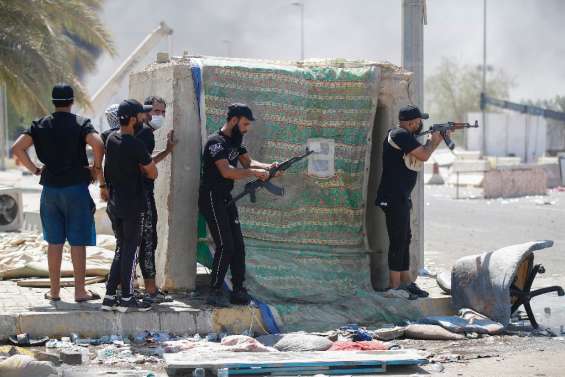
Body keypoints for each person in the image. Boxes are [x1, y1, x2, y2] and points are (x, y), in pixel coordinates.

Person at [11, 84, 104, 302]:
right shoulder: (81, 123)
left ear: (53, 102)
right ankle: (80, 291)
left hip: (50, 189)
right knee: (78, 242)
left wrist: (34, 169)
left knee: (54, 242)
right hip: (76, 189)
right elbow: (98, 143)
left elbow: (17, 148)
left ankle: (54, 292)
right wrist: (96, 168)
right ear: (72, 102)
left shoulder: (40, 124)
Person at [198, 103, 275, 307]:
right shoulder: (216, 143)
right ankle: (214, 291)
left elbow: (249, 163)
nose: (246, 128)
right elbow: (227, 172)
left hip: (226, 198)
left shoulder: (236, 141)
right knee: (225, 244)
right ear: (233, 121)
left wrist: (271, 167)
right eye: (244, 124)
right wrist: (254, 173)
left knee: (238, 246)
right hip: (211, 198)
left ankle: (238, 289)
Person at [375, 105, 444, 300]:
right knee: (398, 240)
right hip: (393, 197)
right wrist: (435, 141)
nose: (420, 124)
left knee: (405, 238)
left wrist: (434, 139)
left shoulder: (405, 136)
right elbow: (423, 154)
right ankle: (394, 287)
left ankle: (406, 283)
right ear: (411, 122)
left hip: (400, 196)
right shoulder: (399, 134)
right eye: (418, 121)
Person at [101, 99, 157, 312]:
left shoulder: (111, 139)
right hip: (133, 205)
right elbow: (153, 172)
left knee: (120, 248)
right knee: (131, 250)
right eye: (141, 115)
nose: (145, 118)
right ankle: (126, 297)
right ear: (133, 119)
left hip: (116, 204)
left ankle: (109, 296)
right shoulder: (135, 144)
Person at [134, 96, 176, 303]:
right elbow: (145, 167)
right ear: (145, 111)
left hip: (130, 196)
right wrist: (153, 173)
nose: (159, 116)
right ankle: (151, 289)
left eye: (163, 112)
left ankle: (128, 286)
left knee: (135, 242)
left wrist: (167, 151)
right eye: (156, 111)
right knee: (149, 241)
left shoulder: (137, 132)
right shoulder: (145, 134)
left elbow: (146, 161)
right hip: (141, 195)